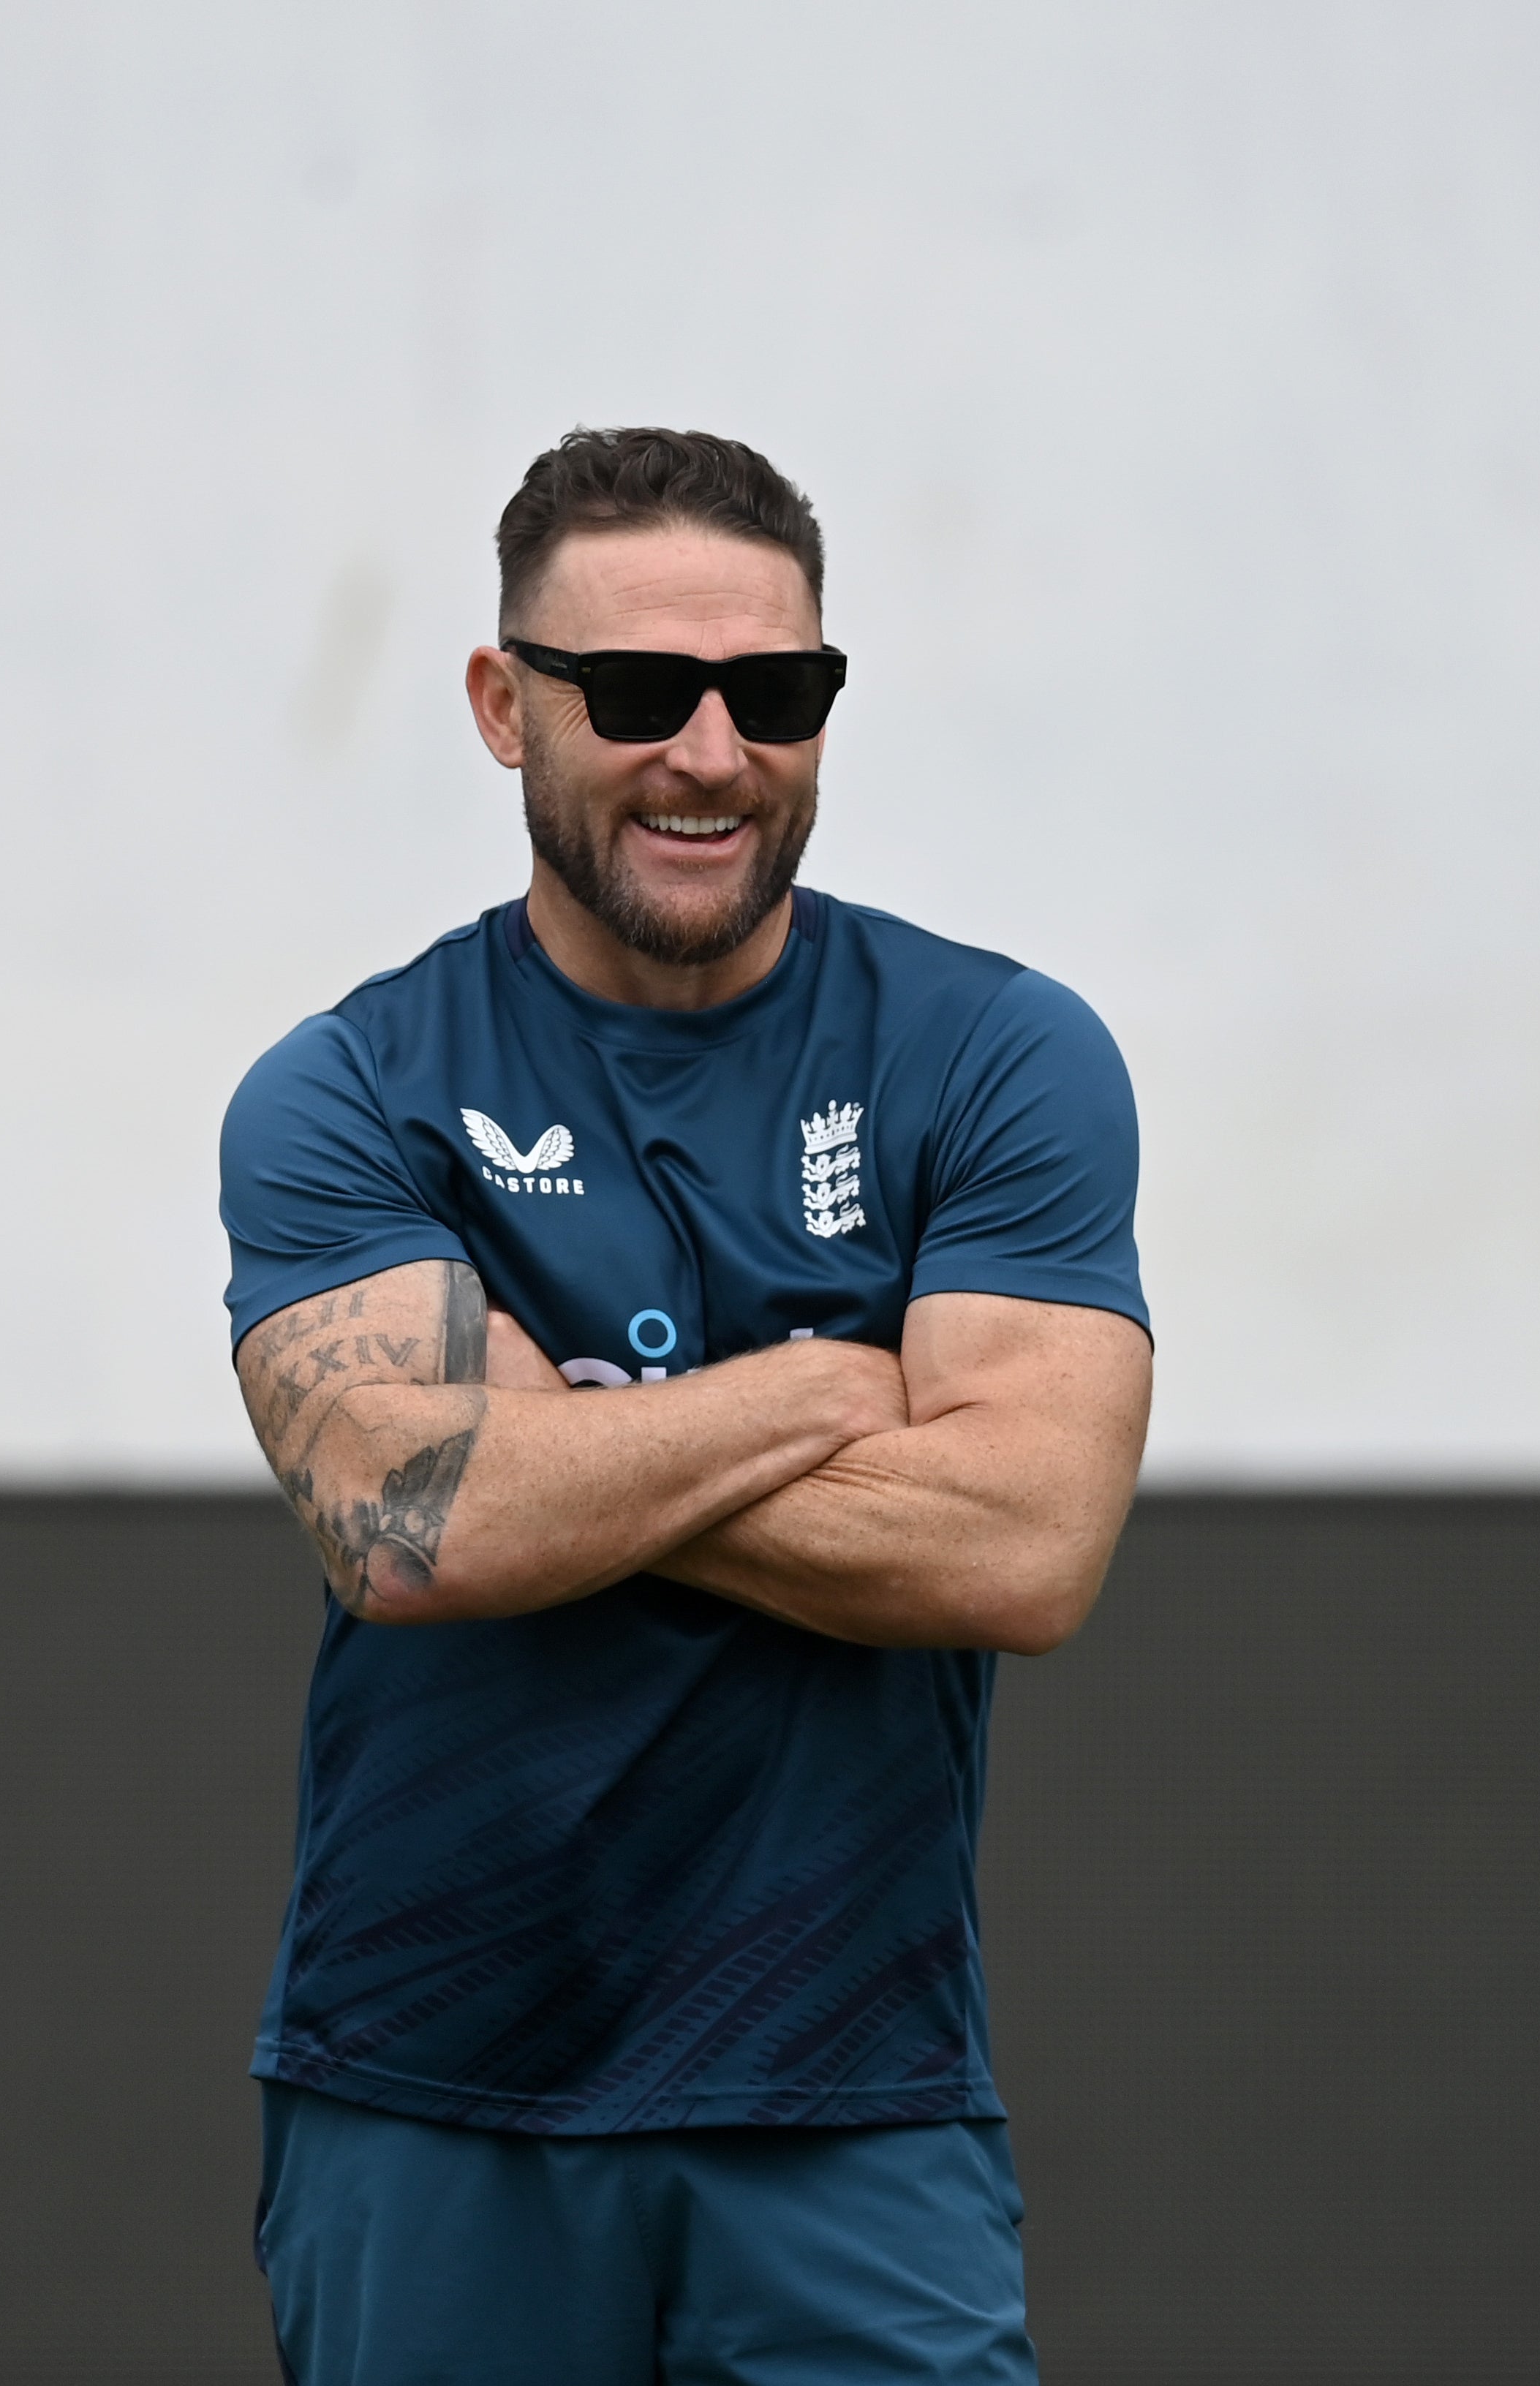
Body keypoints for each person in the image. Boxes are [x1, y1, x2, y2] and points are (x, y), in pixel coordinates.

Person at [218, 426, 1153, 2382]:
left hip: (851, 2104)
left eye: (776, 693)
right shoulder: (349, 1090)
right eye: (638, 693)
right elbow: (420, 1525)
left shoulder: (995, 1055)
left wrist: (564, 1448)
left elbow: (1029, 1539)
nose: (712, 753)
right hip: (430, 2092)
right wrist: (830, 1387)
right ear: (504, 706)